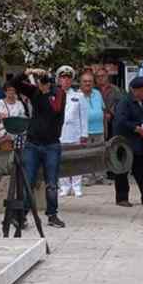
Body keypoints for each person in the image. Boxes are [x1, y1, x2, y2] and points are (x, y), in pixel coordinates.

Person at [18, 69, 67, 228]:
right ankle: (22, 215)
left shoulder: (58, 93)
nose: (43, 83)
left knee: (51, 183)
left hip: (51, 144)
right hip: (32, 143)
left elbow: (55, 109)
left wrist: (46, 92)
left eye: (45, 80)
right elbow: (14, 84)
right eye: (41, 80)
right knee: (28, 181)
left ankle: (52, 215)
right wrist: (26, 73)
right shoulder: (34, 91)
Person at [113, 77, 143, 207]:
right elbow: (121, 120)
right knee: (122, 170)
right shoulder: (124, 102)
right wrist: (137, 129)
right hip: (125, 142)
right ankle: (122, 197)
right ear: (134, 90)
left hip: (140, 142)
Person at [55, 66, 89, 197]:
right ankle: (64, 186)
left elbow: (84, 117)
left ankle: (76, 186)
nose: (66, 81)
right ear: (59, 80)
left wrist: (84, 134)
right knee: (61, 160)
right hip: (59, 133)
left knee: (76, 160)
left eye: (68, 78)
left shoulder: (78, 96)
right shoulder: (54, 95)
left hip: (75, 133)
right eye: (63, 78)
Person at [78, 70, 106, 184]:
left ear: (93, 83)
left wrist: (105, 129)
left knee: (99, 154)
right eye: (85, 81)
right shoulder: (76, 95)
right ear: (80, 83)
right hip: (85, 131)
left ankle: (100, 177)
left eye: (90, 81)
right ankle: (87, 177)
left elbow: (103, 110)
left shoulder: (97, 93)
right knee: (86, 154)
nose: (87, 83)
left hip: (99, 129)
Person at [0, 80, 28, 149]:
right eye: (9, 90)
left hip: (18, 129)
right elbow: (2, 118)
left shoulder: (19, 103)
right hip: (6, 129)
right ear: (5, 91)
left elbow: (23, 118)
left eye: (13, 90)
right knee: (8, 137)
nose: (11, 92)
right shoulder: (1, 102)